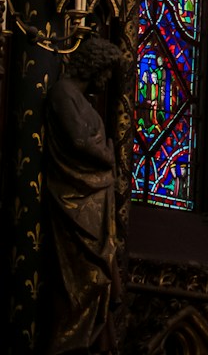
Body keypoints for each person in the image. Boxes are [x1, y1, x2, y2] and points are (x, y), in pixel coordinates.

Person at [49, 36, 126, 354]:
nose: (106, 79)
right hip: (75, 202)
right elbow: (82, 143)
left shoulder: (85, 103)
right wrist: (107, 153)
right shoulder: (63, 94)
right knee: (84, 279)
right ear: (93, 65)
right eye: (106, 71)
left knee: (99, 280)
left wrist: (104, 153)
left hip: (94, 201)